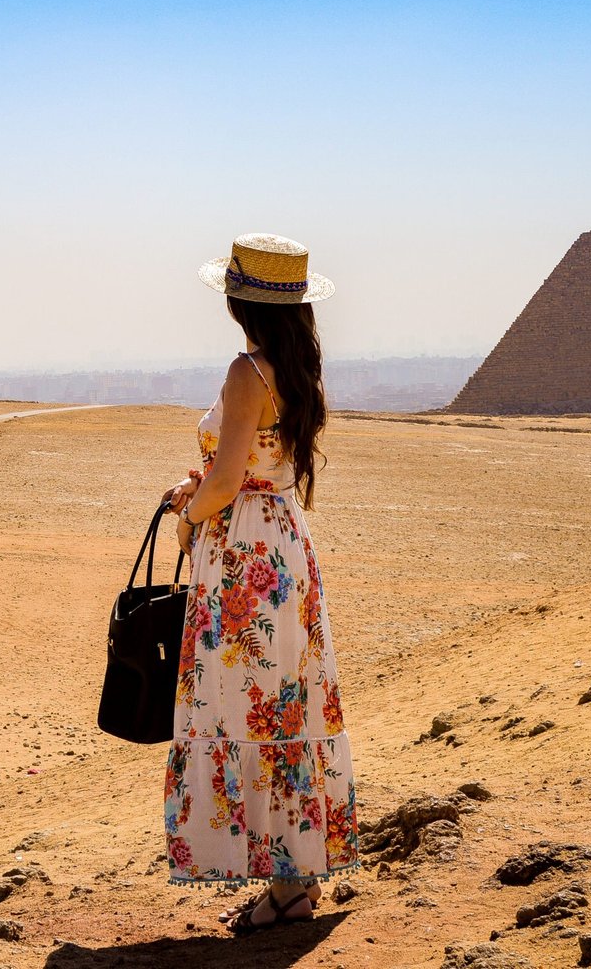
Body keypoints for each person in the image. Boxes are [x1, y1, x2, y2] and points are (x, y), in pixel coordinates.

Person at [160, 233, 360, 935]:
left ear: (238, 300)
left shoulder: (248, 372)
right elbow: (258, 466)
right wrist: (209, 487)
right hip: (285, 549)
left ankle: (287, 884)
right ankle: (292, 881)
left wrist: (189, 509)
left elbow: (225, 480)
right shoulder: (299, 370)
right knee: (286, 707)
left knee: (247, 710)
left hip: (245, 558)